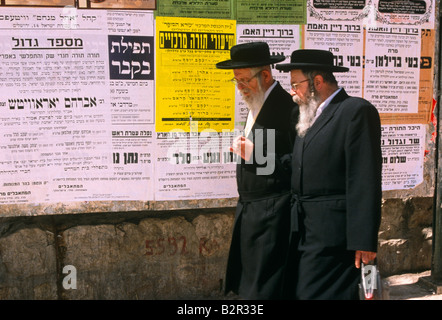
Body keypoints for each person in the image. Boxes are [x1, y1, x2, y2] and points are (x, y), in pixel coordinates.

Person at [275, 49, 382, 300]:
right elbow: (303, 165)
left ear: (318, 82)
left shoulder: (355, 111)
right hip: (306, 231)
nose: (292, 92)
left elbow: (364, 178)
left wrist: (364, 241)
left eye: (296, 85)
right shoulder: (308, 116)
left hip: (337, 237)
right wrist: (260, 157)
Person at [216, 42, 298, 299]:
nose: (240, 87)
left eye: (244, 80)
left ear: (265, 75)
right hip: (251, 212)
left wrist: (256, 155)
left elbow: (300, 164)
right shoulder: (256, 102)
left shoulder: (289, 108)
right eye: (236, 80)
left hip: (274, 215)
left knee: (266, 290)